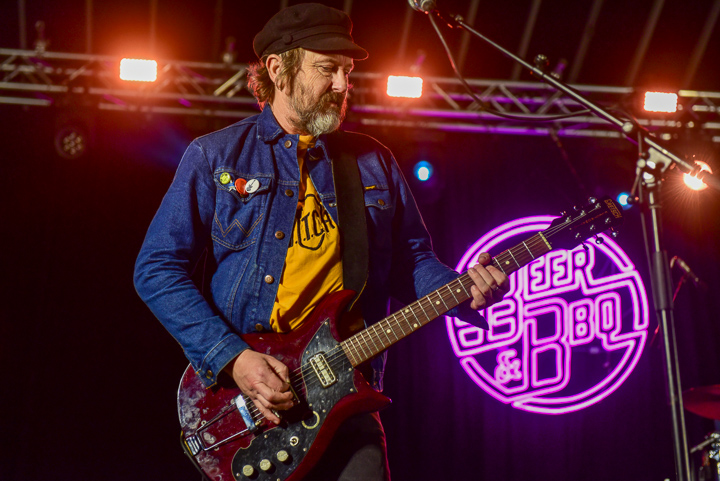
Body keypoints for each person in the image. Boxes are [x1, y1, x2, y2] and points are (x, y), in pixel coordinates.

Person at [134, 3, 509, 480]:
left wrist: (463, 289)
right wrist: (233, 357)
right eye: (327, 68)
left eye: (347, 72)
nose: (342, 85)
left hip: (345, 394)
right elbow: (156, 268)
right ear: (278, 69)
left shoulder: (372, 162)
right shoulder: (216, 155)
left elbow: (411, 261)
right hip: (252, 399)